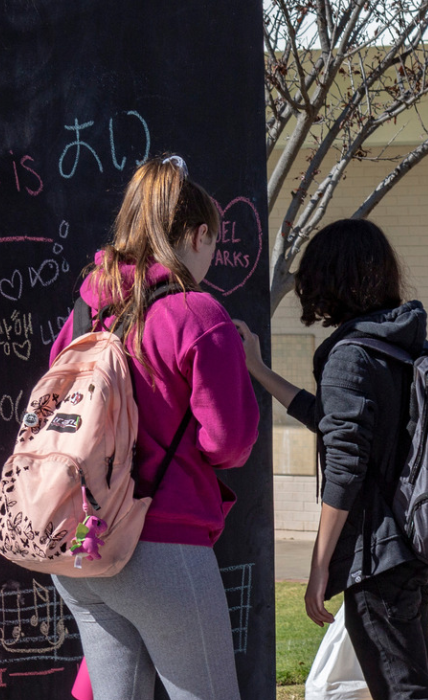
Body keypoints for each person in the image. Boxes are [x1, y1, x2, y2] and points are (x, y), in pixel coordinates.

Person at [49, 155, 259, 700]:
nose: (212, 256)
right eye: (212, 242)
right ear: (196, 234)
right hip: (162, 545)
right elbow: (229, 443)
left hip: (79, 545)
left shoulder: (82, 315)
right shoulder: (197, 314)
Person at [234, 218, 428, 700]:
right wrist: (260, 371)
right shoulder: (399, 343)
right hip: (411, 544)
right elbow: (336, 421)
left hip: (378, 556)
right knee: (410, 683)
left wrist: (320, 562)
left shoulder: (351, 355)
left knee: (403, 691)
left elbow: (346, 467)